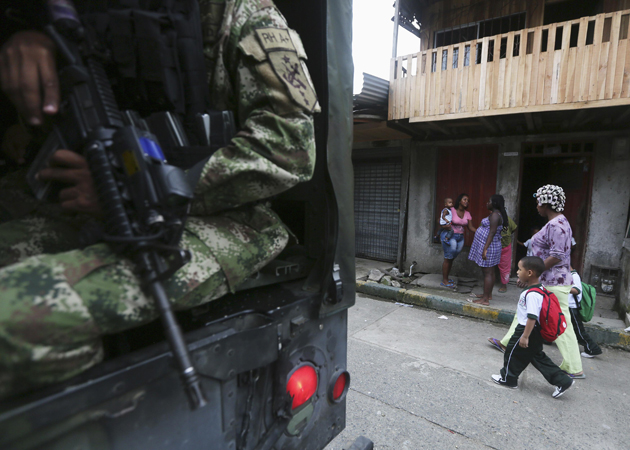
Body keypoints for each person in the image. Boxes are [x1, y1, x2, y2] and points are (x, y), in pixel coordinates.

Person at [0, 0, 318, 398]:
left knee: (10, 316)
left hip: (227, 222)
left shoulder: (243, 13)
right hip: (102, 206)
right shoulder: (88, 17)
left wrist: (135, 188)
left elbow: (289, 150)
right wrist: (31, 37)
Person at [488, 185, 584, 379]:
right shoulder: (558, 222)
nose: (537, 206)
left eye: (538, 201)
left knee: (561, 324)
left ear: (546, 203)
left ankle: (574, 367)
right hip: (548, 280)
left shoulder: (557, 225)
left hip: (554, 282)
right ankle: (508, 342)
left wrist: (534, 274)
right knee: (524, 308)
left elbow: (556, 255)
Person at [491, 256, 574, 399]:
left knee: (512, 352)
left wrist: (524, 336)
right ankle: (563, 380)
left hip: (526, 329)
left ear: (529, 273)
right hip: (535, 331)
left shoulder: (533, 294)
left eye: (519, 269)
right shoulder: (538, 288)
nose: (517, 272)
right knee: (536, 356)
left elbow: (532, 317)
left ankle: (508, 379)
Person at [467, 194, 507, 306]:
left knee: (488, 272)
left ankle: (485, 300)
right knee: (490, 272)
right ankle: (487, 294)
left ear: (494, 203)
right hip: (490, 246)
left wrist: (485, 249)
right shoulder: (496, 214)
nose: (487, 203)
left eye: (489, 201)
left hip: (490, 246)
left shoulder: (495, 215)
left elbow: (492, 232)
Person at [440, 193, 476, 288]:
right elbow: (440, 220)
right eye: (464, 199)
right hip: (450, 235)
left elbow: (471, 227)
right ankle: (445, 280)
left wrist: (481, 232)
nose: (466, 202)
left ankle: (446, 278)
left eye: (468, 200)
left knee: (452, 257)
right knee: (448, 257)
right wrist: (444, 225)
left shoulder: (467, 214)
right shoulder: (451, 210)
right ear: (459, 201)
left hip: (460, 237)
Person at [570, 267, 603, 358]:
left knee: (578, 330)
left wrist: (561, 287)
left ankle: (592, 348)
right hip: (565, 305)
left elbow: (576, 290)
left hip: (572, 307)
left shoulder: (574, 276)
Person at [498, 214, 517, 293]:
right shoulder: (489, 218)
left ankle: (504, 284)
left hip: (505, 245)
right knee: (490, 265)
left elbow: (514, 228)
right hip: (494, 245)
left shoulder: (507, 219)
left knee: (505, 265)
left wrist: (506, 235)